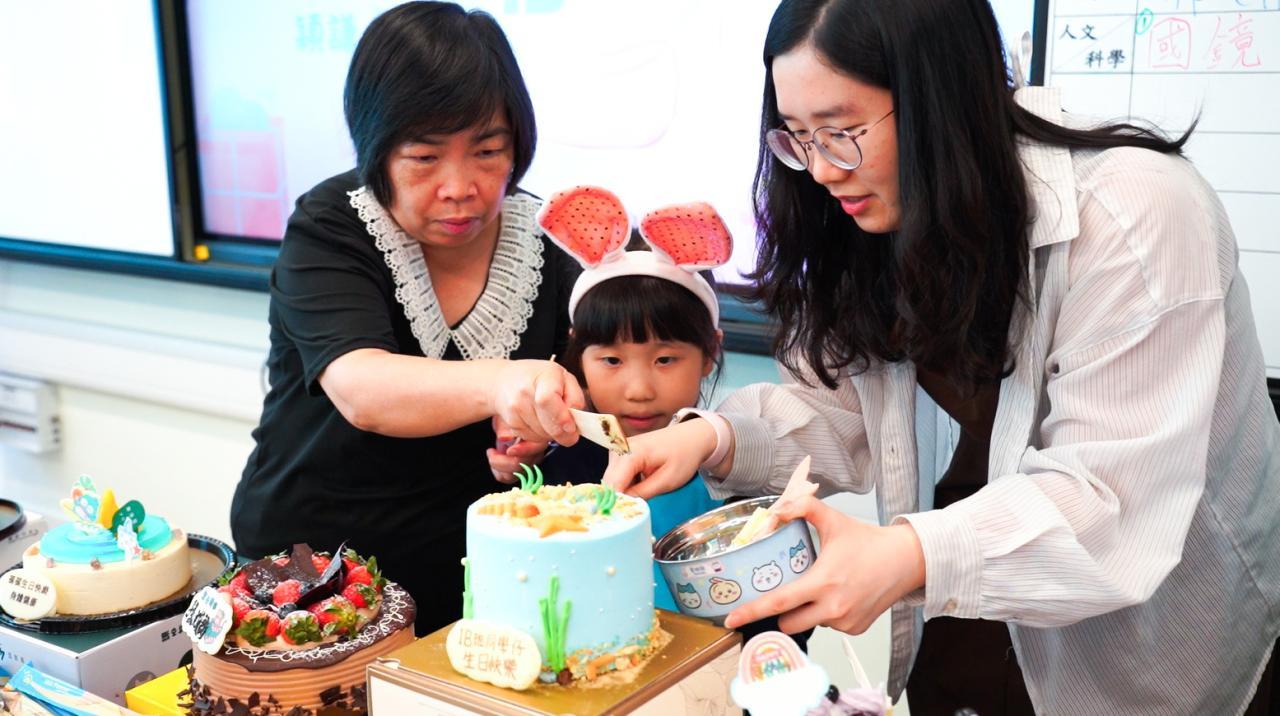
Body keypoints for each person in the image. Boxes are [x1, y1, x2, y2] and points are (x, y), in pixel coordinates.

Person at [603, 0, 1280, 714]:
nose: (821, 170)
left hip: (1153, 639)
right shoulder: (873, 216)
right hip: (974, 611)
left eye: (841, 132)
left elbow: (1109, 499)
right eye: (797, 137)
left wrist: (906, 555)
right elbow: (838, 412)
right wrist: (715, 438)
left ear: (941, 95)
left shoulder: (1134, 212)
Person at [230, 2, 584, 636]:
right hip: (314, 575)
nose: (460, 186)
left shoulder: (550, 241)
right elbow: (364, 390)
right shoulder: (331, 226)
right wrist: (505, 381)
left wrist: (540, 434)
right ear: (376, 149)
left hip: (476, 579)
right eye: (424, 157)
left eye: (488, 151)